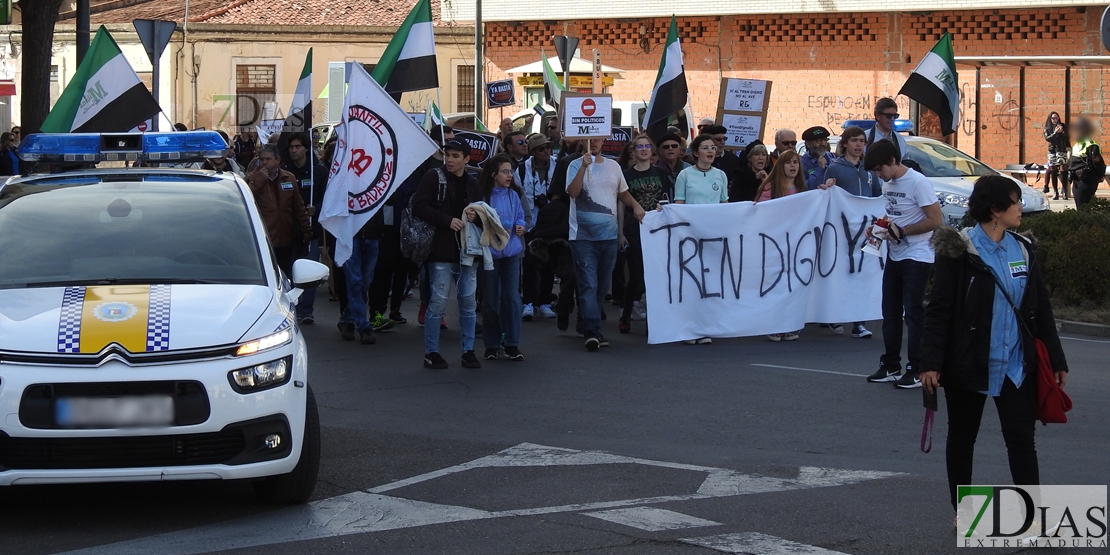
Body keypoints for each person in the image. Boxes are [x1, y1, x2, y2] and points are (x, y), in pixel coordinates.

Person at [920, 175, 1069, 517]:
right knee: (962, 439)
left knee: (1021, 441)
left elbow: (1040, 309)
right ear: (995, 210)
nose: (1021, 208)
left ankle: (1031, 516)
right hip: (968, 362)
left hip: (1015, 365)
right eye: (1015, 202)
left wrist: (1057, 359)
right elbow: (939, 310)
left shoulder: (1023, 249)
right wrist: (930, 362)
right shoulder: (960, 250)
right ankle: (964, 511)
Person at [864, 139, 943, 389]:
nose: (879, 175)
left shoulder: (918, 182)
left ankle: (917, 368)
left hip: (918, 255)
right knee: (890, 312)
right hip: (895, 254)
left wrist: (904, 231)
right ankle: (891, 364)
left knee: (913, 313)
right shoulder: (888, 184)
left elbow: (936, 219)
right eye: (875, 171)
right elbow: (894, 213)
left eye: (880, 169)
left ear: (892, 161)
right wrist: (880, 227)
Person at [566, 137, 647, 351]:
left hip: (609, 237)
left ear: (603, 140)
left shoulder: (613, 166)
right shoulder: (574, 164)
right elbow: (572, 193)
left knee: (601, 287)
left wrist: (636, 205)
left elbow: (622, 192)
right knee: (588, 285)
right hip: (583, 237)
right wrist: (583, 166)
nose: (593, 143)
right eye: (588, 139)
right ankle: (593, 331)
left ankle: (585, 322)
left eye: (597, 139)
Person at [411, 139, 483, 369]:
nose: (449, 160)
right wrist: (446, 220)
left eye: (455, 156)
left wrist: (476, 216)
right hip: (441, 251)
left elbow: (484, 212)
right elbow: (419, 206)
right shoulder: (434, 177)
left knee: (468, 302)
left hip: (468, 250)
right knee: (438, 303)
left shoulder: (473, 183)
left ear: (466, 159)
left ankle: (468, 350)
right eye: (447, 155)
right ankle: (431, 352)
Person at [824, 126, 883, 339]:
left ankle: (859, 322)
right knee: (843, 272)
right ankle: (835, 312)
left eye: (862, 141)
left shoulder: (869, 169)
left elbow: (876, 195)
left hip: (865, 230)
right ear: (845, 143)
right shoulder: (835, 168)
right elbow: (828, 197)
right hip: (844, 231)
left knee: (864, 273)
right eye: (854, 141)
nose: (859, 145)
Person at [753, 150, 810, 342]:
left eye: (796, 162)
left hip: (796, 243)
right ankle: (772, 323)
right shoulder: (769, 187)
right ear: (780, 166)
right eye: (788, 163)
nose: (793, 166)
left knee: (791, 284)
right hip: (774, 243)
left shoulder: (802, 188)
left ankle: (787, 323)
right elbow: (761, 213)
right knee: (774, 284)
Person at [477, 154, 527, 361]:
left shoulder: (514, 195)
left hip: (511, 253)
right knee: (489, 300)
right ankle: (492, 343)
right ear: (493, 174)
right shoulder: (483, 197)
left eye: (511, 172)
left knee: (513, 299)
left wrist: (521, 226)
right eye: (505, 171)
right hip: (489, 253)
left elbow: (521, 216)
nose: (510, 175)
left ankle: (512, 343)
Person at [618, 134, 668, 334]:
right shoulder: (626, 175)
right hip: (633, 227)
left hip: (656, 228)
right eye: (640, 146)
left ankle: (653, 318)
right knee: (637, 273)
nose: (644, 149)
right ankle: (627, 310)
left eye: (648, 146)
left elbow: (667, 199)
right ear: (634, 151)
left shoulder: (661, 173)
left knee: (655, 273)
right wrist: (620, 232)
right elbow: (621, 204)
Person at [282, 132, 329, 325]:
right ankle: (291, 308)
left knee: (309, 271)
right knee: (290, 271)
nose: (294, 150)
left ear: (306, 148)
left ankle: (307, 310)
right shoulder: (284, 172)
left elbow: (327, 199)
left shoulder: (319, 172)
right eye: (291, 147)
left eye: (298, 147)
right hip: (289, 230)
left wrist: (315, 208)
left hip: (311, 230)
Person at [247, 144, 313, 277]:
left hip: (286, 238)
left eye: (268, 159)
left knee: (286, 274)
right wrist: (259, 181)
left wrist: (307, 230)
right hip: (264, 239)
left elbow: (298, 207)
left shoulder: (289, 178)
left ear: (278, 160)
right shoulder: (252, 178)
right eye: (262, 159)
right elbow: (247, 199)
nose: (264, 162)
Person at [519, 134, 557, 321]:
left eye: (548, 147)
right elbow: (517, 194)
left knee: (549, 263)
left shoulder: (557, 167)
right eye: (542, 148)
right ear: (533, 151)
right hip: (529, 222)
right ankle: (528, 302)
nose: (546, 151)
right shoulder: (522, 170)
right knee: (529, 263)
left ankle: (545, 302)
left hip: (550, 223)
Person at [1067, 116, 1103, 210]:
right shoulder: (1076, 145)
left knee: (1084, 207)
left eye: (1078, 129)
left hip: (1087, 181)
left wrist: (1099, 176)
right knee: (1079, 207)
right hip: (1077, 182)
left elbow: (1098, 164)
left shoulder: (1091, 145)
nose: (1076, 132)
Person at [654, 132, 690, 201]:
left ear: (680, 149)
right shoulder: (654, 170)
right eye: (666, 147)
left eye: (674, 146)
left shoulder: (688, 169)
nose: (670, 148)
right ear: (660, 151)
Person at [1043, 112, 1069, 200]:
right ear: (1050, 119)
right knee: (1053, 170)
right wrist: (1055, 133)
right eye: (1053, 118)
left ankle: (1064, 190)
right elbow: (1047, 138)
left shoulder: (1063, 126)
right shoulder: (1047, 128)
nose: (1055, 120)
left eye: (1056, 118)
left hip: (1061, 150)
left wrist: (1061, 132)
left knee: (1063, 170)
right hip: (1052, 151)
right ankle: (1055, 191)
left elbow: (1067, 137)